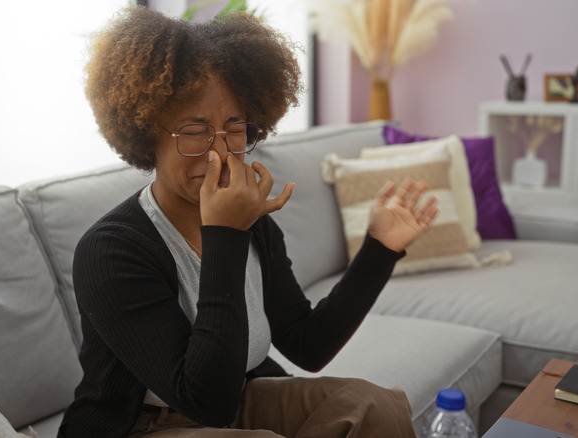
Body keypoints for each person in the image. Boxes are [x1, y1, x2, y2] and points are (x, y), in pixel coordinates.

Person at [58, 6, 438, 438]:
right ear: (146, 132)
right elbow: (207, 401)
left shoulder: (253, 224)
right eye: (194, 130)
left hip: (240, 397)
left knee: (376, 406)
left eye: (234, 127)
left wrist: (380, 249)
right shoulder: (111, 251)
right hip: (141, 425)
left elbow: (306, 345)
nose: (219, 152)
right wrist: (224, 236)